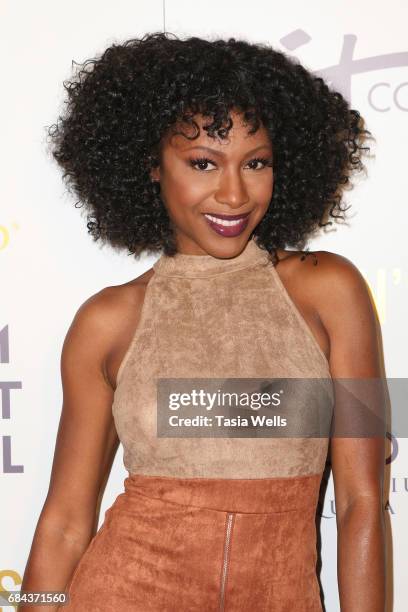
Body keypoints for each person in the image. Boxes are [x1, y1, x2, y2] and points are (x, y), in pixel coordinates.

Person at [20, 32, 386, 611]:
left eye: (256, 162)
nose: (234, 194)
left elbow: (363, 500)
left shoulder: (331, 291)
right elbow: (66, 521)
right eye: (202, 163)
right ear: (150, 165)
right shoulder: (108, 320)